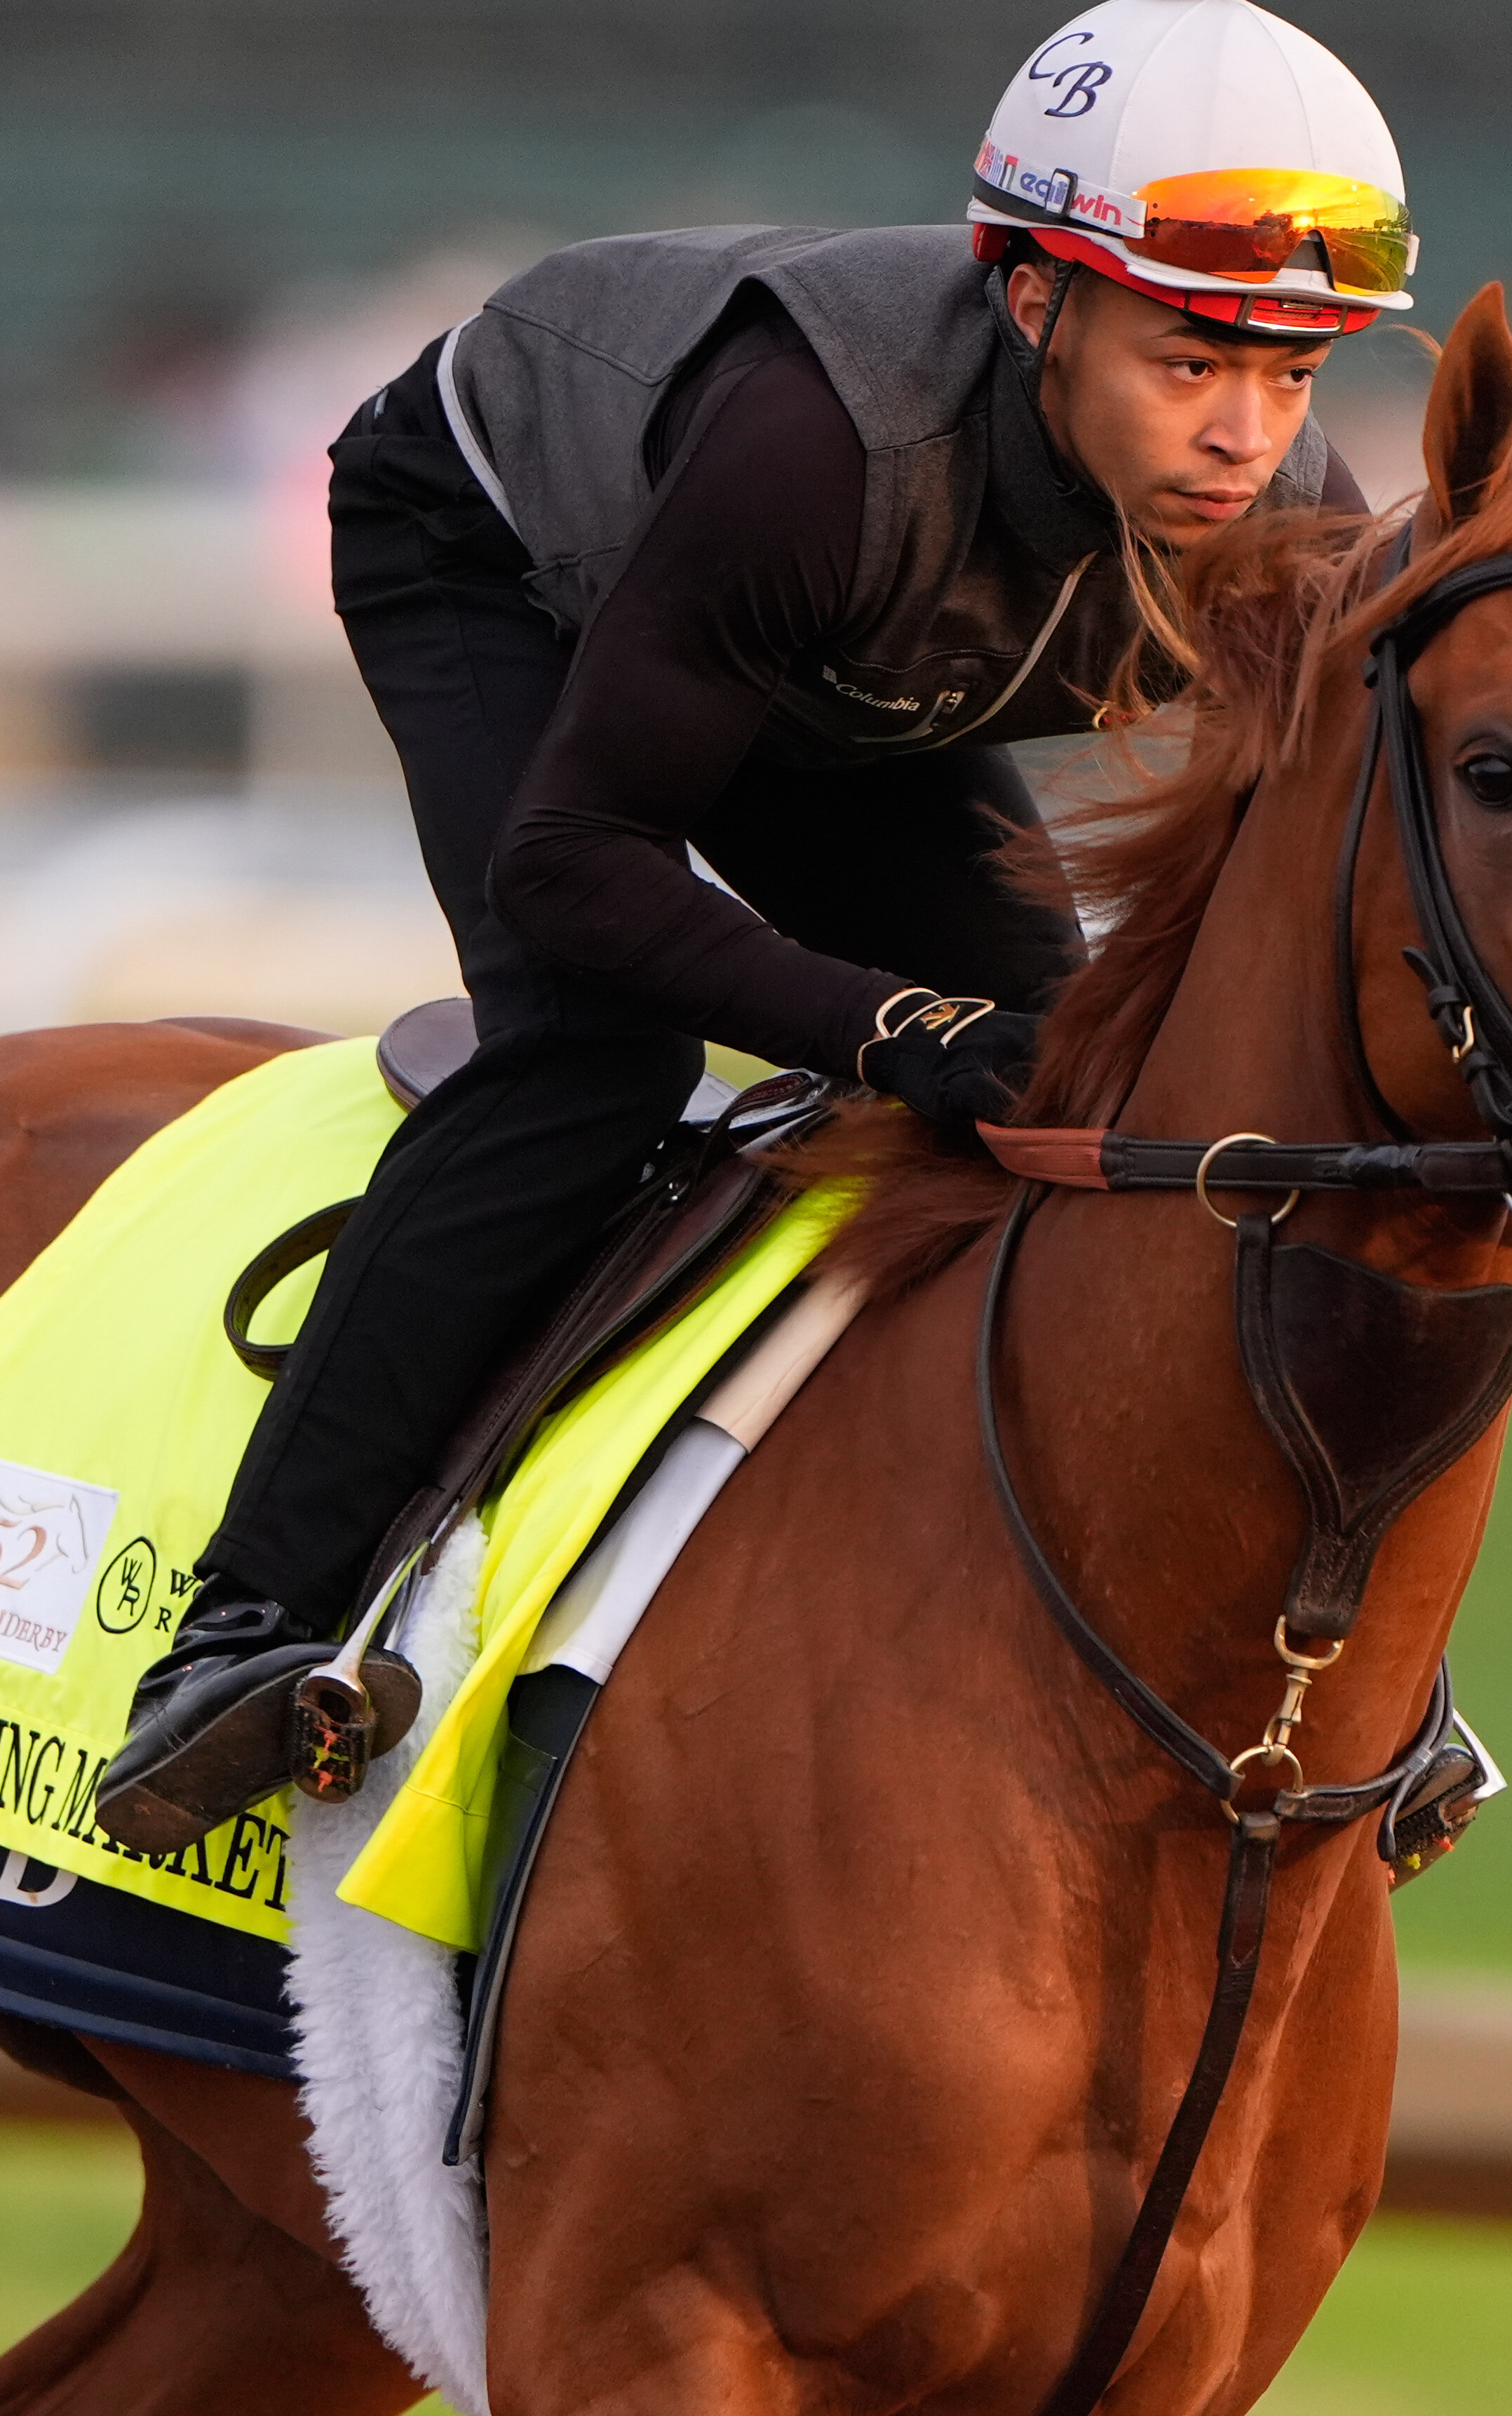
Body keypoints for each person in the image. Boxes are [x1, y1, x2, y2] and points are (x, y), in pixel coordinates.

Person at [97, 0, 1418, 1852]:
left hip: (842, 666)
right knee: (596, 1047)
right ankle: (239, 1624)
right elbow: (576, 865)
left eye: (1294, 377)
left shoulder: (1285, 518)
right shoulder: (819, 448)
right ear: (1033, 301)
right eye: (1194, 362)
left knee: (1086, 1086)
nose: (1246, 439)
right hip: (510, 558)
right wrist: (877, 1022)